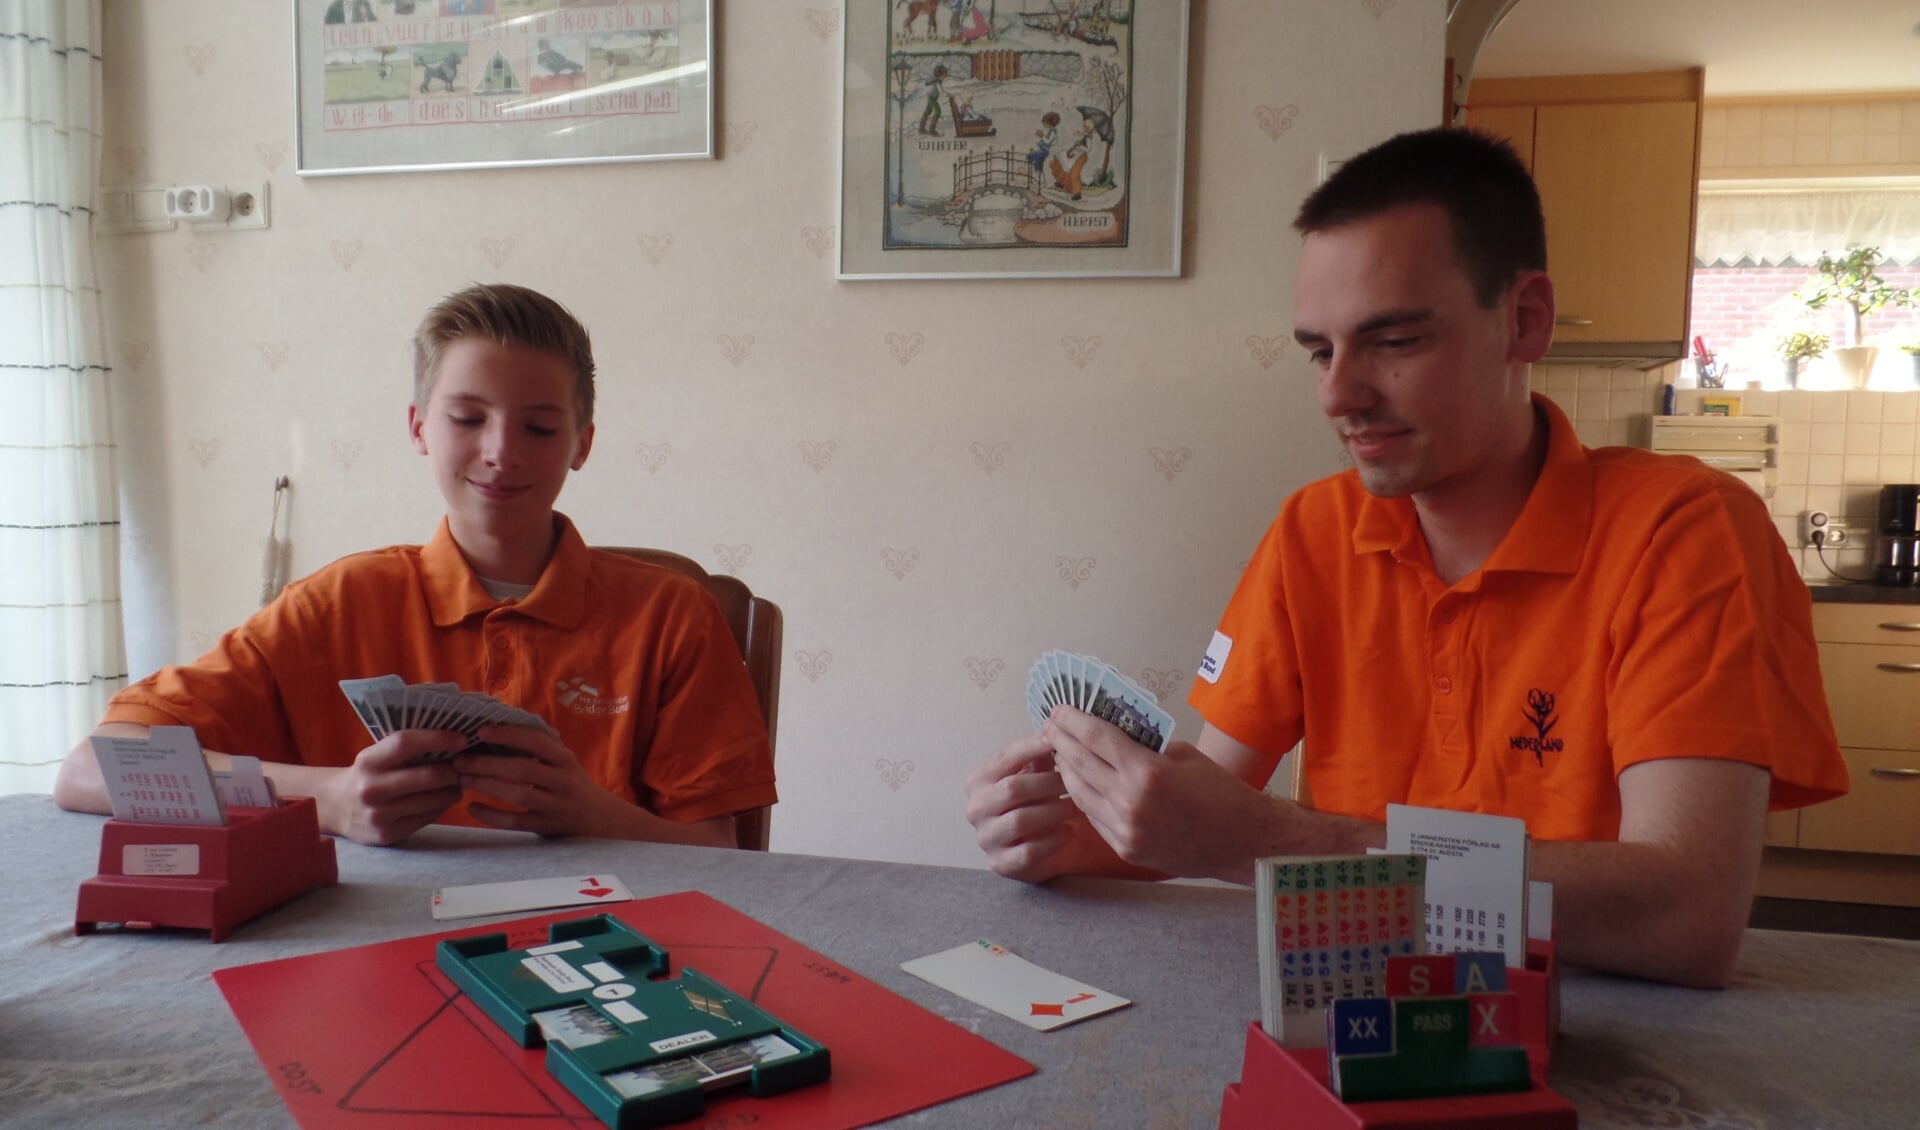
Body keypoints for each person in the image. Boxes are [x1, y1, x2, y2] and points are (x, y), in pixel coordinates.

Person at [964, 127, 1848, 990]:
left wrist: (1270, 841)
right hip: (1351, 1027)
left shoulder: (1686, 531)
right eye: (1320, 350)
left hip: (1604, 1048)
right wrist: (1071, 835)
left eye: (1393, 341)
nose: (1338, 394)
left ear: (1526, 320)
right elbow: (1210, 812)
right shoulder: (1311, 531)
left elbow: (1689, 916)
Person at [54, 283, 776, 849]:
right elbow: (92, 768)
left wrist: (593, 813)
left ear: (581, 442)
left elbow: (725, 853)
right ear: (419, 428)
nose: (500, 451)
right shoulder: (338, 605)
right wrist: (329, 799)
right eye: (467, 419)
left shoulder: (672, 617)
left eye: (540, 427)